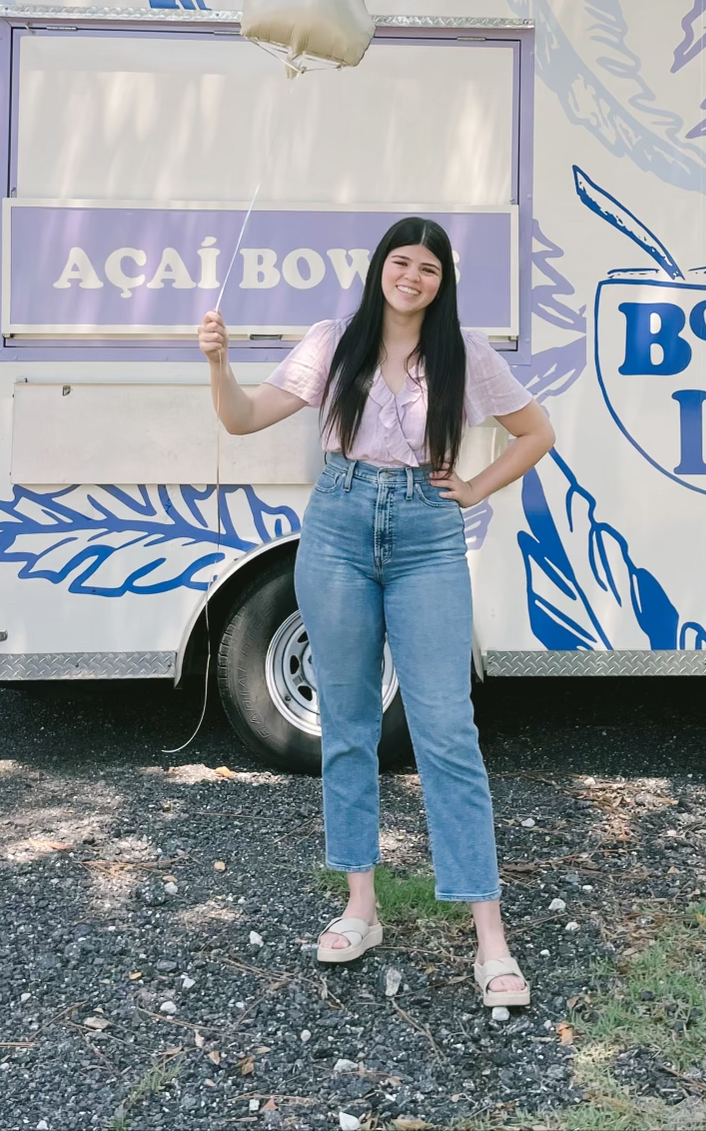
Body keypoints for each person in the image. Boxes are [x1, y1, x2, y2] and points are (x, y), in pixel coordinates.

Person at [197, 216, 555, 1008]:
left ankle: (489, 937)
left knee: (446, 730)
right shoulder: (334, 341)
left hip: (427, 532)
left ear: (442, 282)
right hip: (338, 526)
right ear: (380, 270)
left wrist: (475, 486)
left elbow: (536, 433)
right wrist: (219, 365)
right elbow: (243, 417)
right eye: (402, 262)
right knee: (350, 723)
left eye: (428, 268)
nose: (413, 277)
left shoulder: (464, 352)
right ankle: (362, 906)